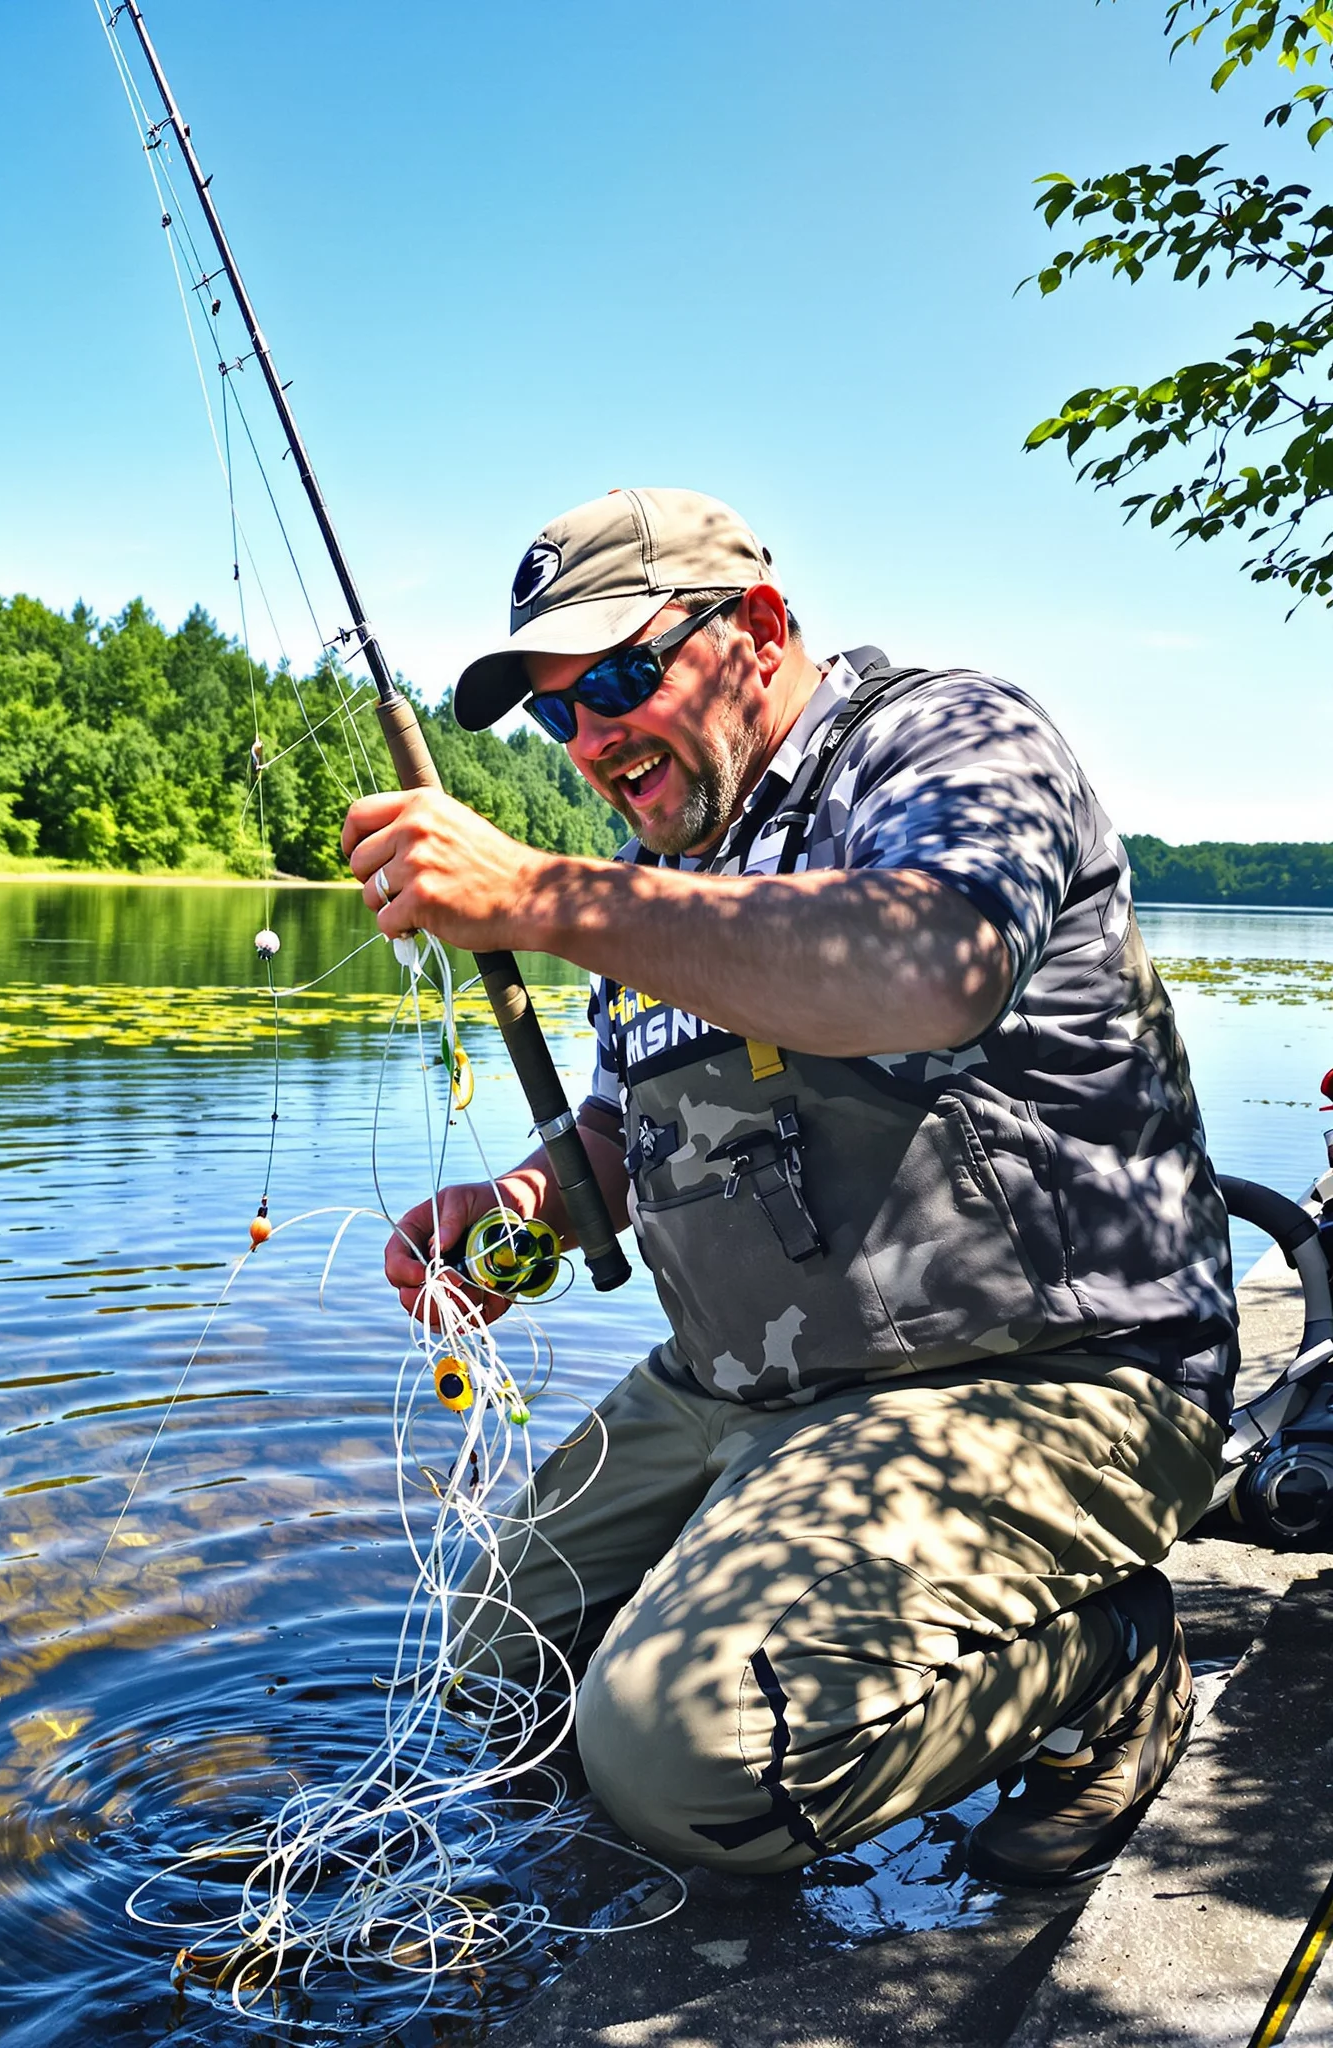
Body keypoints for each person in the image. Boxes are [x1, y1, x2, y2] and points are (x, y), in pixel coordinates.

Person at [340, 488, 1236, 1888]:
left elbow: (929, 965)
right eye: (555, 715)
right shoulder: (659, 873)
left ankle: (1105, 1654)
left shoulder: (951, 738)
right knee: (494, 1677)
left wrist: (538, 897)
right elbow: (636, 1131)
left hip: (1047, 1378)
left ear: (756, 631)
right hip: (746, 1386)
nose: (590, 739)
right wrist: (525, 1210)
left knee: (678, 1763)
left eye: (623, 678)